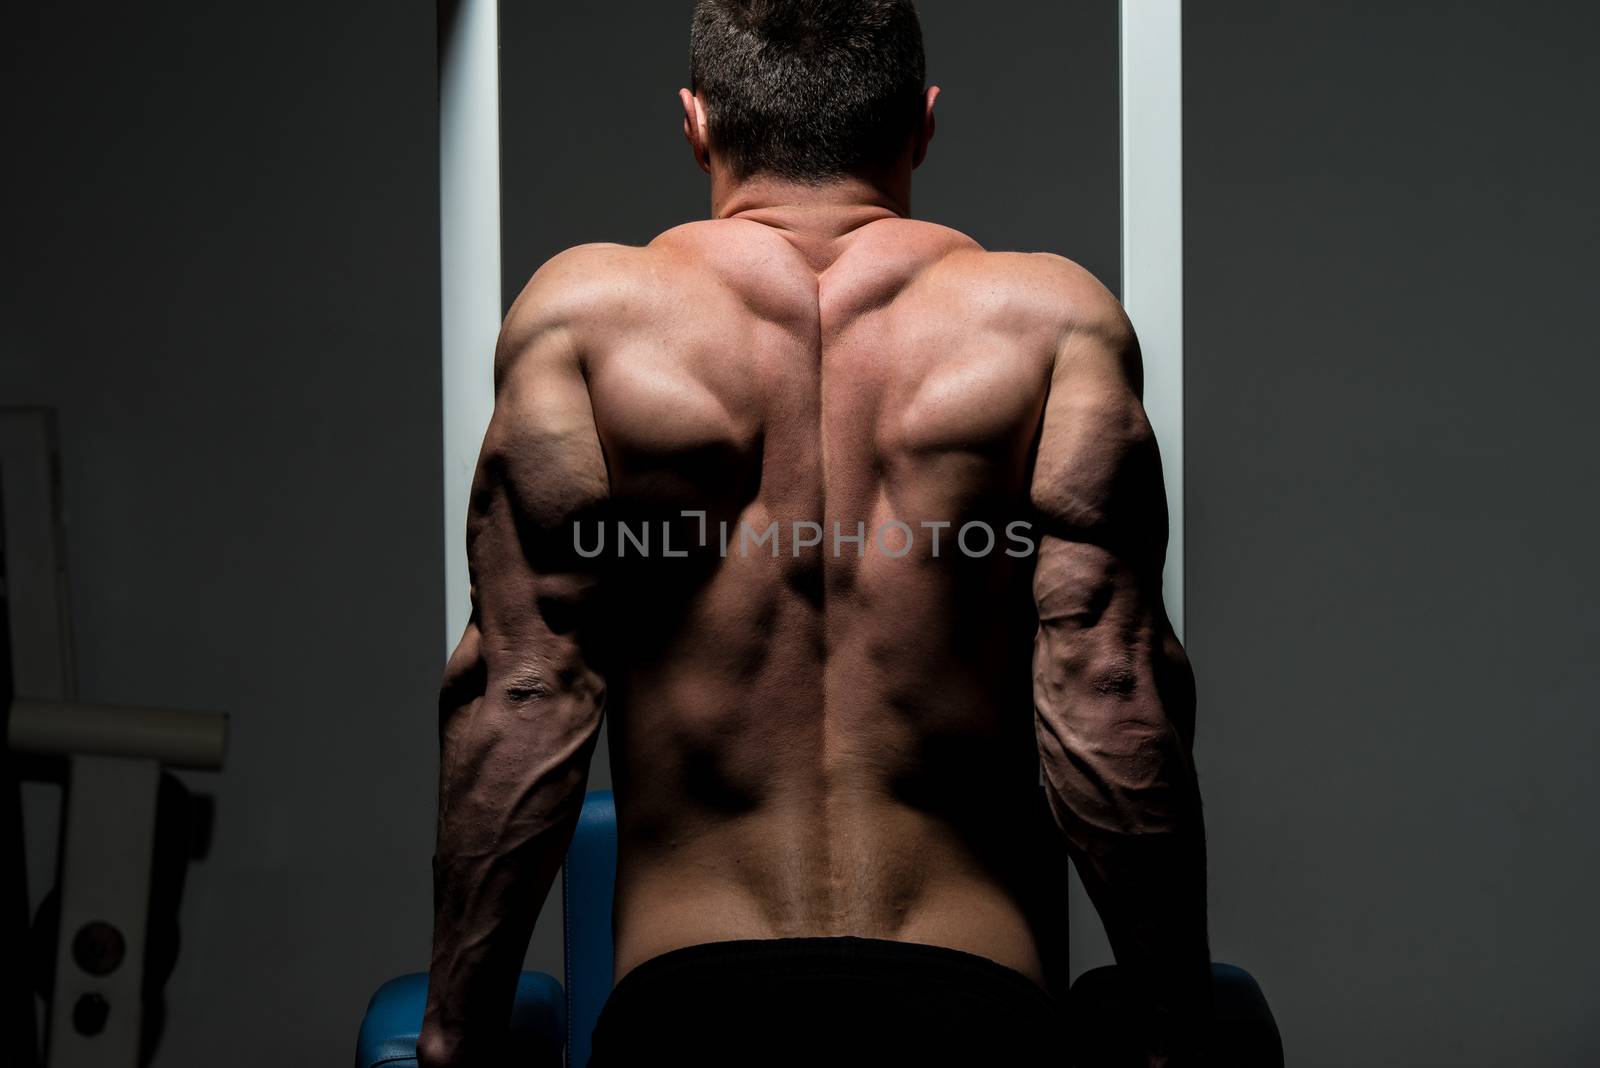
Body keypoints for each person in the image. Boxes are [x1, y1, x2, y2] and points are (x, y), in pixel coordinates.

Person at [418, 2, 1210, 1065]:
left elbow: (525, 700)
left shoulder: (584, 322)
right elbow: (1107, 695)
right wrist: (1175, 1025)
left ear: (695, 123)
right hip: (970, 1007)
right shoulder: (1049, 324)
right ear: (922, 123)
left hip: (692, 1013)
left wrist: (453, 1035)